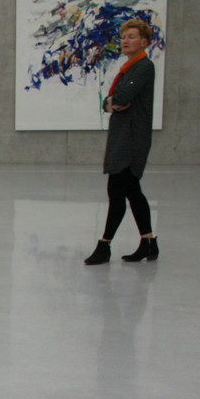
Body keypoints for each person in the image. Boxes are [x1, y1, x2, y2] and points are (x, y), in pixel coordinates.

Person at [84, 18, 160, 265]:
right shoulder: (129, 68)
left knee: (117, 190)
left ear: (144, 42)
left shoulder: (144, 66)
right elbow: (111, 100)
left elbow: (124, 96)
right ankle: (149, 243)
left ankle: (104, 245)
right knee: (132, 191)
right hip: (124, 136)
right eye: (124, 36)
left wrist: (114, 101)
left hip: (132, 138)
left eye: (132, 37)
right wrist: (111, 102)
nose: (125, 41)